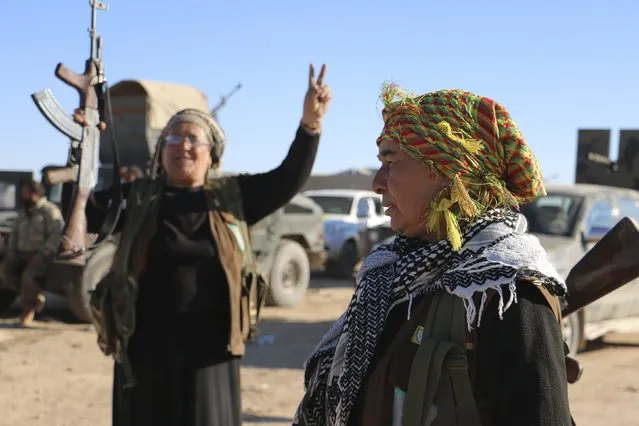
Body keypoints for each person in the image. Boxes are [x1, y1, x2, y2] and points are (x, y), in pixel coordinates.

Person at [293, 85, 574, 426]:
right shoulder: (390, 272)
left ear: (446, 171)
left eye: (391, 160)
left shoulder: (508, 291)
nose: (377, 182)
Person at [85, 64, 331, 426]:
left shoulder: (232, 198)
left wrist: (310, 126)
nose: (182, 145)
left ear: (212, 154)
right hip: (142, 351)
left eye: (192, 139)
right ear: (161, 152)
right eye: (172, 138)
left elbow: (287, 178)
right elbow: (85, 214)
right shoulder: (137, 199)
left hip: (210, 353)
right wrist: (84, 141)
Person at [0, 178, 63, 326]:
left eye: (26, 193)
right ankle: (34, 298)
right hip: (21, 253)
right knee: (5, 273)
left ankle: (28, 312)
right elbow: (14, 235)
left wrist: (42, 254)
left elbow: (55, 236)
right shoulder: (23, 214)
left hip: (40, 255)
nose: (23, 196)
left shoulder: (49, 211)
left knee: (28, 278)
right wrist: (11, 253)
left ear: (36, 193)